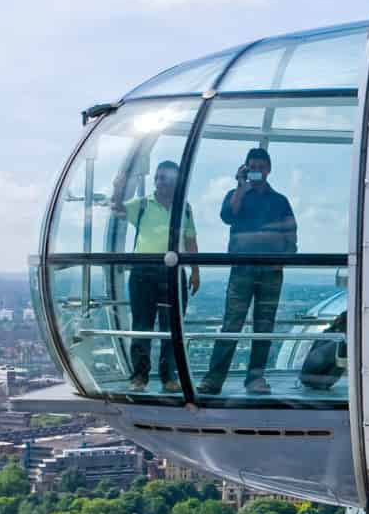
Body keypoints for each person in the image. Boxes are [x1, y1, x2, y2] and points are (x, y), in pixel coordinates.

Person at [199, 148, 297, 395]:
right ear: (245, 169)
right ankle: (213, 380)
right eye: (252, 167)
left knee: (264, 326)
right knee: (232, 323)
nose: (257, 171)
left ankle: (255, 379)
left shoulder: (280, 201)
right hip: (242, 270)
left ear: (269, 169)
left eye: (261, 167)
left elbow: (291, 233)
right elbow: (228, 216)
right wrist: (240, 187)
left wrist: (284, 259)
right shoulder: (236, 195)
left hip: (271, 271)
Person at [110, 157, 198, 390]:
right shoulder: (142, 204)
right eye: (158, 177)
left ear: (176, 181)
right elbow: (117, 209)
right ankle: (140, 376)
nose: (160, 182)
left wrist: (195, 270)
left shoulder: (184, 208)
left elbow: (190, 240)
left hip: (173, 272)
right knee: (142, 325)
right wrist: (118, 188)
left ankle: (169, 377)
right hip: (143, 272)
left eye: (165, 178)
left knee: (172, 326)